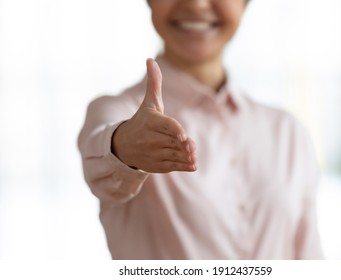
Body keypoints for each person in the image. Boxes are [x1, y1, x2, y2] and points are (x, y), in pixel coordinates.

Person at [78, 0, 323, 259]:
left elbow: (309, 254)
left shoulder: (287, 132)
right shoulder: (117, 112)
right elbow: (103, 168)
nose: (197, 5)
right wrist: (125, 147)